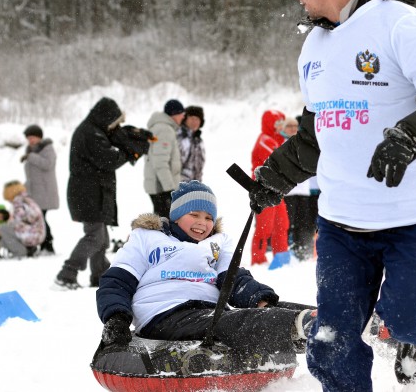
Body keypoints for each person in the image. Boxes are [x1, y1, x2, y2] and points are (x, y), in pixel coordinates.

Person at [248, 0, 416, 388]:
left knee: (407, 320)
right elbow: (318, 135)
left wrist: (410, 136)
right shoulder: (313, 46)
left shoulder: (401, 23)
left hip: (414, 218)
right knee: (332, 342)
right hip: (341, 225)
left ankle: (415, 335)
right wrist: (272, 179)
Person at [95, 180, 316, 356]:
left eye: (209, 217)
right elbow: (117, 281)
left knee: (263, 309)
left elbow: (234, 279)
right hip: (163, 313)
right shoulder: (147, 237)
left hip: (209, 310)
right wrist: (117, 318)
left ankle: (326, 321)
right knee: (233, 323)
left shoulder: (217, 243)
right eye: (194, 215)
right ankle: (302, 328)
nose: (203, 222)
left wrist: (260, 300)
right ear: (176, 215)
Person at [56, 97, 151, 289]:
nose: (113, 127)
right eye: (113, 123)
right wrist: (131, 152)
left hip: (91, 191)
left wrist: (126, 137)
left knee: (102, 238)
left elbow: (109, 151)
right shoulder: (90, 133)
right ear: (105, 118)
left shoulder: (94, 130)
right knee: (95, 236)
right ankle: (67, 273)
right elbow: (109, 159)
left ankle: (100, 275)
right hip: (87, 193)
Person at [250, 110, 289, 265]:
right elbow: (280, 163)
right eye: (277, 123)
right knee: (264, 227)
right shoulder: (265, 141)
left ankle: (281, 257)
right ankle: (258, 259)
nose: (280, 126)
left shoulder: (276, 140)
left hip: (276, 190)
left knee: (282, 223)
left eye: (281, 123)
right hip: (263, 190)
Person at [281, 117, 319, 260]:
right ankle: (287, 250)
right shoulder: (281, 144)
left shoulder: (304, 144)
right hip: (288, 191)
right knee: (288, 223)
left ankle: (302, 250)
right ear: (284, 129)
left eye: (294, 126)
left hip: (304, 191)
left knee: (304, 223)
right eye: (289, 126)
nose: (292, 128)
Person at [21, 124, 59, 254]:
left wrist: (30, 157)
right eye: (28, 138)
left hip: (45, 191)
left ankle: (47, 245)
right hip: (34, 192)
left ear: (39, 137)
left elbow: (48, 164)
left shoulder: (47, 149)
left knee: (40, 218)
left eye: (32, 137)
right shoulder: (31, 150)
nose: (30, 140)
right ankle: (44, 245)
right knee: (38, 218)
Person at [144, 99, 185, 218]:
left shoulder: (162, 127)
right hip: (161, 188)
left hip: (159, 186)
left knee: (161, 223)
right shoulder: (164, 130)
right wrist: (169, 190)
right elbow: (160, 162)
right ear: (174, 114)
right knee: (164, 225)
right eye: (181, 113)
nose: (183, 117)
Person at [0, 181, 45, 258]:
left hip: (32, 235)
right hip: (38, 233)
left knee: (2, 228)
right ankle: (28, 249)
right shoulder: (27, 199)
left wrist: (1, 228)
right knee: (5, 232)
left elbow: (17, 222)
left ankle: (20, 251)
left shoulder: (18, 203)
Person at [177, 105, 206, 182]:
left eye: (197, 119)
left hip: (195, 184)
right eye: (192, 118)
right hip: (180, 185)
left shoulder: (198, 140)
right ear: (185, 119)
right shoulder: (180, 138)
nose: (194, 122)